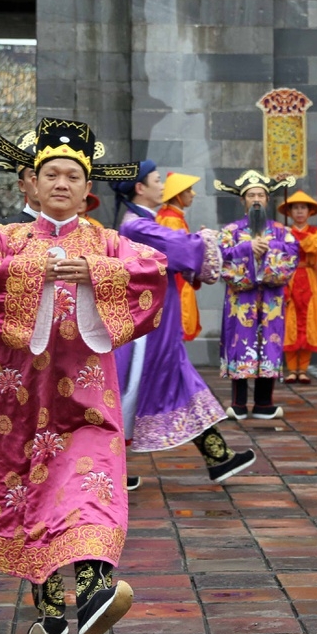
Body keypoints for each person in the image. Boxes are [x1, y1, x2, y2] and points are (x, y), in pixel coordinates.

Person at [0, 117, 167, 634]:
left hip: (89, 394)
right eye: (51, 174)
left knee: (89, 479)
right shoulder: (6, 238)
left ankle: (93, 590)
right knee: (29, 489)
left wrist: (98, 275)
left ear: (89, 189)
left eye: (72, 175)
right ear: (30, 183)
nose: (61, 183)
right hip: (18, 396)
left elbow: (153, 275)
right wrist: (27, 273)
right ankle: (48, 606)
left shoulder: (109, 243)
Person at [111, 163, 257, 485]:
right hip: (148, 327)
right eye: (156, 180)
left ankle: (218, 457)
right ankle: (108, 470)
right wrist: (211, 241)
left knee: (173, 383)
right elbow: (184, 248)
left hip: (158, 321)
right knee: (133, 390)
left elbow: (183, 248)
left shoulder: (141, 223)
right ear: (139, 188)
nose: (162, 185)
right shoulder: (137, 227)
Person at [214, 170, 299, 420]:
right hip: (241, 301)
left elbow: (292, 258)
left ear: (268, 199)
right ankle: (238, 403)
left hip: (271, 300)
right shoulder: (229, 232)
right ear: (243, 201)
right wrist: (247, 250)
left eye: (261, 194)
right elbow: (221, 262)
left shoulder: (282, 232)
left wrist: (268, 250)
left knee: (269, 343)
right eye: (251, 195)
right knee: (240, 344)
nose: (256, 199)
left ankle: (264, 403)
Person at [278, 190, 317, 384]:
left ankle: (303, 369)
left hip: (309, 277)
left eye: (303, 208)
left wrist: (295, 242)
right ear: (290, 212)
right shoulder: (283, 232)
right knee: (290, 319)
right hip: (289, 276)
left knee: (309, 320)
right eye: (295, 208)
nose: (299, 212)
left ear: (309, 212)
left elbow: (311, 248)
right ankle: (291, 369)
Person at [155, 172, 205, 342]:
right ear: (178, 195)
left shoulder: (172, 216)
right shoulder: (171, 219)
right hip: (176, 279)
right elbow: (178, 253)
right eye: (188, 190)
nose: (193, 194)